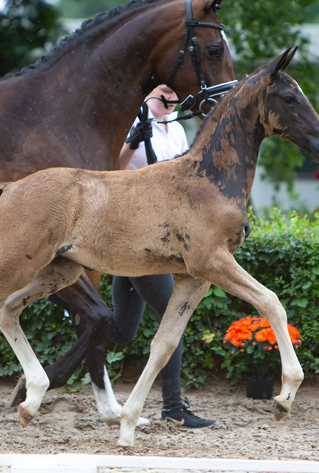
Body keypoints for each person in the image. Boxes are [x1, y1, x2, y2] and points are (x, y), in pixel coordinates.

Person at [110, 84, 215, 428]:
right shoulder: (134, 120)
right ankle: (173, 407)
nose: (169, 98)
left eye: (173, 93)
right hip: (136, 231)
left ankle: (54, 370)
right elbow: (112, 168)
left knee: (121, 329)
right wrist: (132, 142)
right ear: (149, 93)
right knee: (173, 316)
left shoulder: (179, 127)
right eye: (162, 92)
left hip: (163, 229)